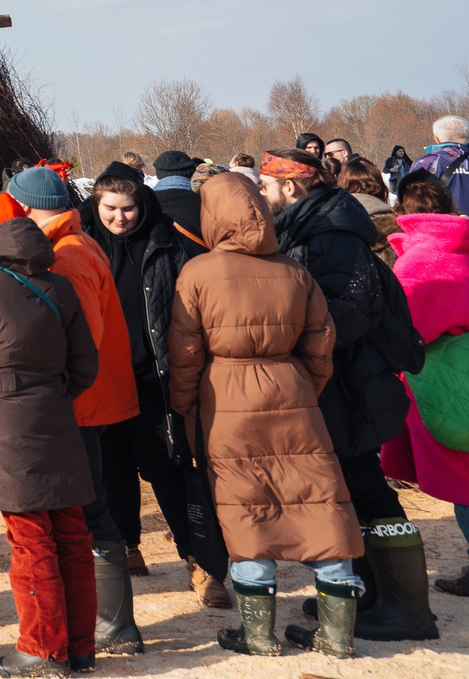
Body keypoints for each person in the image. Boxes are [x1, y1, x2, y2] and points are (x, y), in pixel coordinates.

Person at [168, 171, 365, 657]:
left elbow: (186, 352)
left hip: (226, 399)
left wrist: (185, 406)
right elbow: (322, 344)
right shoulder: (294, 271)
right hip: (292, 392)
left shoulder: (197, 273)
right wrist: (301, 386)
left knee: (245, 508)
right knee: (322, 503)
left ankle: (258, 635)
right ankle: (338, 635)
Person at [261, 146, 437, 642]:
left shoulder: (330, 234)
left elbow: (352, 311)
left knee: (366, 485)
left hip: (350, 383)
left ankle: (406, 610)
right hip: (338, 380)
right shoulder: (311, 226)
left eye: (268, 185)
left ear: (291, 186)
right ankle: (371, 593)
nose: (263, 193)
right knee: (351, 486)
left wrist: (294, 330)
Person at [0, 214, 97, 675]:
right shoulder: (61, 287)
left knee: (30, 541)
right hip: (56, 418)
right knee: (71, 534)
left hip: (3, 421)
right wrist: (52, 393)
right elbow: (86, 365)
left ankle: (43, 647)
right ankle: (79, 646)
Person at [4, 164, 140, 654]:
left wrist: (54, 391)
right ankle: (109, 621)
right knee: (88, 505)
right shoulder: (72, 244)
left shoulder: (67, 254)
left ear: (23, 207)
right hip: (84, 398)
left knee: (91, 508)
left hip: (81, 402)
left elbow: (83, 339)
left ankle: (115, 625)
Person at [81, 169, 230, 611]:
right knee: (112, 469)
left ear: (142, 205)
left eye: (128, 209)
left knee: (168, 469)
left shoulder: (167, 244)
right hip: (103, 378)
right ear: (96, 205)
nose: (120, 218)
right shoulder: (83, 245)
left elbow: (189, 308)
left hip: (153, 378)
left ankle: (198, 560)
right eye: (110, 208)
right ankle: (127, 547)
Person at [381, 182, 469, 598]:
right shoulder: (463, 248)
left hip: (440, 383)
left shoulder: (416, 261)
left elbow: (403, 330)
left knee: (462, 483)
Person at [148, 151, 205, 248]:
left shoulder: (146, 202)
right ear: (191, 171)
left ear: (159, 173)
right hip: (203, 259)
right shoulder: (206, 201)